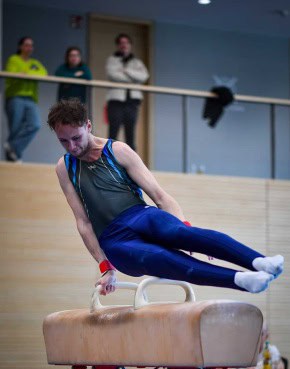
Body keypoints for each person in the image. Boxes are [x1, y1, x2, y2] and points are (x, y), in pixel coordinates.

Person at [47, 99, 284, 296]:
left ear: (88, 126)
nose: (72, 146)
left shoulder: (117, 151)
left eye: (76, 138)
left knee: (181, 234)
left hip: (141, 215)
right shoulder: (64, 168)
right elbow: (83, 222)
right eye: (63, 141)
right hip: (115, 240)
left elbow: (159, 196)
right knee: (162, 258)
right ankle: (241, 280)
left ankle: (259, 262)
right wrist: (104, 266)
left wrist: (189, 232)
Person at [4, 36, 47, 162]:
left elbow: (43, 73)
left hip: (31, 99)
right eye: (27, 45)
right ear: (20, 47)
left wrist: (26, 73)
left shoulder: (35, 63)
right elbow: (14, 75)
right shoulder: (14, 59)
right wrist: (30, 73)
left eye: (31, 45)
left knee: (35, 124)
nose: (29, 48)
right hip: (15, 96)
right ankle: (14, 157)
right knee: (15, 128)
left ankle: (13, 147)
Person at [105, 33, 149, 150]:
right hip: (116, 101)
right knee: (113, 133)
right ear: (118, 45)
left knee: (130, 135)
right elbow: (113, 75)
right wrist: (133, 78)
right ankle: (109, 162)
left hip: (132, 102)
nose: (124, 45)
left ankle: (131, 166)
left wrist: (126, 71)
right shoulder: (112, 60)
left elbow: (144, 76)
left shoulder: (137, 62)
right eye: (121, 43)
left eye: (126, 42)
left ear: (130, 45)